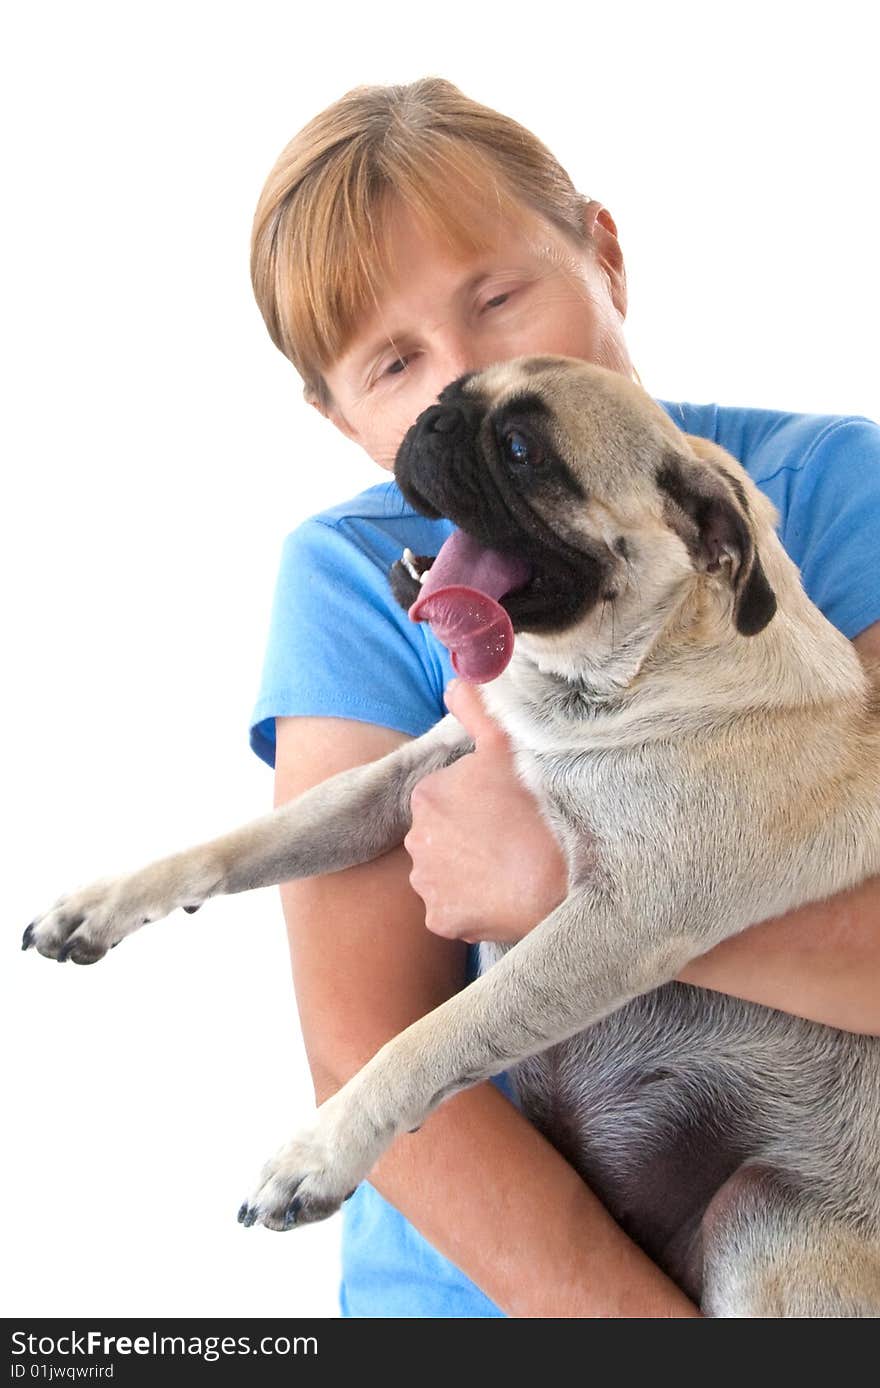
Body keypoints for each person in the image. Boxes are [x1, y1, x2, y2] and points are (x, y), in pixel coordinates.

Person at [247, 77, 880, 1317]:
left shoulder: (827, 490)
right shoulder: (354, 580)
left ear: (603, 252)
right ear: (338, 418)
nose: (474, 368)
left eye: (498, 295)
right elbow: (361, 1044)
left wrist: (569, 884)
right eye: (394, 361)